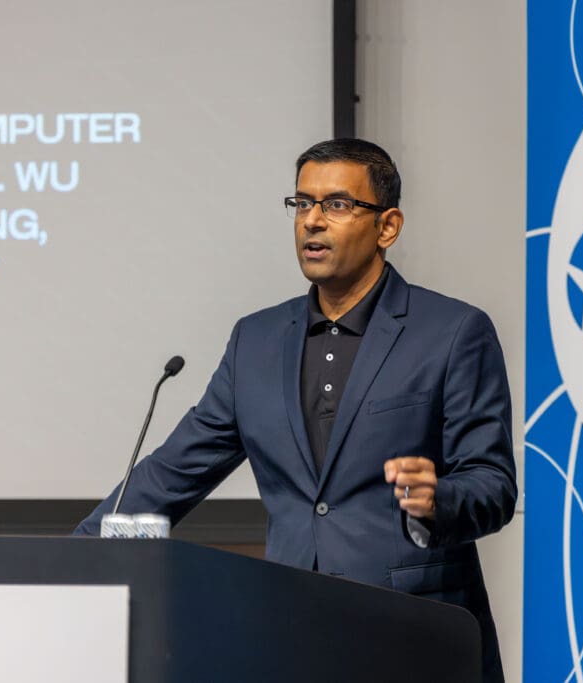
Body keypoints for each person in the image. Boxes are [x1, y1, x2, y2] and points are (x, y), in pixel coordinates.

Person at [75, 138, 517, 682]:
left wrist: (438, 498)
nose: (312, 221)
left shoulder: (452, 333)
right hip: (291, 636)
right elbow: (173, 472)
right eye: (302, 203)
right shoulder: (256, 341)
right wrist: (74, 560)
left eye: (336, 205)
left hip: (415, 636)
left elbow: (493, 485)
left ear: (388, 226)